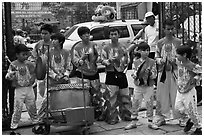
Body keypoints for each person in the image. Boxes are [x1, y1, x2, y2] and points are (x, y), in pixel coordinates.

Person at [153, 19, 182, 128]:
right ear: (164, 29)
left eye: (171, 29)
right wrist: (162, 60)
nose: (170, 31)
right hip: (163, 72)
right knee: (162, 94)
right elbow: (156, 56)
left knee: (177, 94)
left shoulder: (178, 42)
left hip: (175, 71)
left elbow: (182, 56)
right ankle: (162, 117)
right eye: (167, 29)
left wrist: (175, 60)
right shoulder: (160, 43)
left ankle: (180, 117)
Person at [5, 44, 39, 135]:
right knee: (17, 108)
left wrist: (32, 80)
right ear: (17, 55)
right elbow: (8, 77)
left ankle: (36, 124)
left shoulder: (30, 64)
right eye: (23, 54)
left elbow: (34, 75)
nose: (25, 56)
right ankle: (13, 127)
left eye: (26, 54)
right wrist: (11, 75)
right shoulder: (13, 65)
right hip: (19, 89)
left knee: (32, 106)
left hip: (29, 88)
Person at [101, 27, 131, 125]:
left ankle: (126, 115)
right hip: (111, 74)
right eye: (111, 34)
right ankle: (112, 117)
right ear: (109, 36)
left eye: (115, 34)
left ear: (119, 35)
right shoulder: (106, 48)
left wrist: (122, 62)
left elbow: (127, 60)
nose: (113, 36)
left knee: (125, 95)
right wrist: (109, 61)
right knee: (111, 97)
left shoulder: (123, 47)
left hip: (122, 74)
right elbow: (102, 60)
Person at [37, 33, 72, 119]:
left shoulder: (66, 52)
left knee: (65, 98)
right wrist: (55, 76)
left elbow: (69, 65)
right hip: (51, 80)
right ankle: (40, 118)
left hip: (64, 80)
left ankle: (64, 117)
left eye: (55, 40)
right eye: (52, 39)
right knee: (47, 99)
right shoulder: (48, 52)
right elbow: (46, 67)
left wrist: (66, 75)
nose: (52, 41)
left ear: (60, 42)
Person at [72, 26, 104, 120]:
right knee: (84, 95)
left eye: (88, 33)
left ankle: (97, 112)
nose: (87, 35)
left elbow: (100, 57)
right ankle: (85, 114)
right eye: (84, 34)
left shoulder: (94, 45)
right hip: (82, 74)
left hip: (94, 72)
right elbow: (75, 61)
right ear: (80, 36)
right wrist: (82, 59)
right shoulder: (77, 47)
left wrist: (102, 60)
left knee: (96, 94)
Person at [124, 42, 157, 130]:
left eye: (147, 50)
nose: (146, 52)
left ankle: (150, 121)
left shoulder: (152, 62)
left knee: (149, 103)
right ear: (139, 51)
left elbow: (154, 74)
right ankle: (133, 121)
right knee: (135, 103)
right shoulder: (135, 62)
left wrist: (150, 74)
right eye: (143, 51)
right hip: (138, 85)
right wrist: (136, 75)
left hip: (149, 85)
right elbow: (134, 73)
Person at [175, 45, 202, 135]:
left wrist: (195, 78)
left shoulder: (192, 66)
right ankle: (190, 119)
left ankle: (199, 128)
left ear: (185, 55)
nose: (176, 56)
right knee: (178, 108)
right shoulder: (179, 62)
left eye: (178, 54)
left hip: (189, 90)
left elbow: (201, 73)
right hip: (180, 89)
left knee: (191, 109)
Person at [31, 24, 53, 98]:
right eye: (42, 33)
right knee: (41, 90)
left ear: (51, 34)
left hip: (52, 71)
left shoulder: (54, 44)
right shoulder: (38, 44)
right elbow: (33, 56)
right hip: (40, 71)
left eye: (45, 33)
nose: (43, 35)